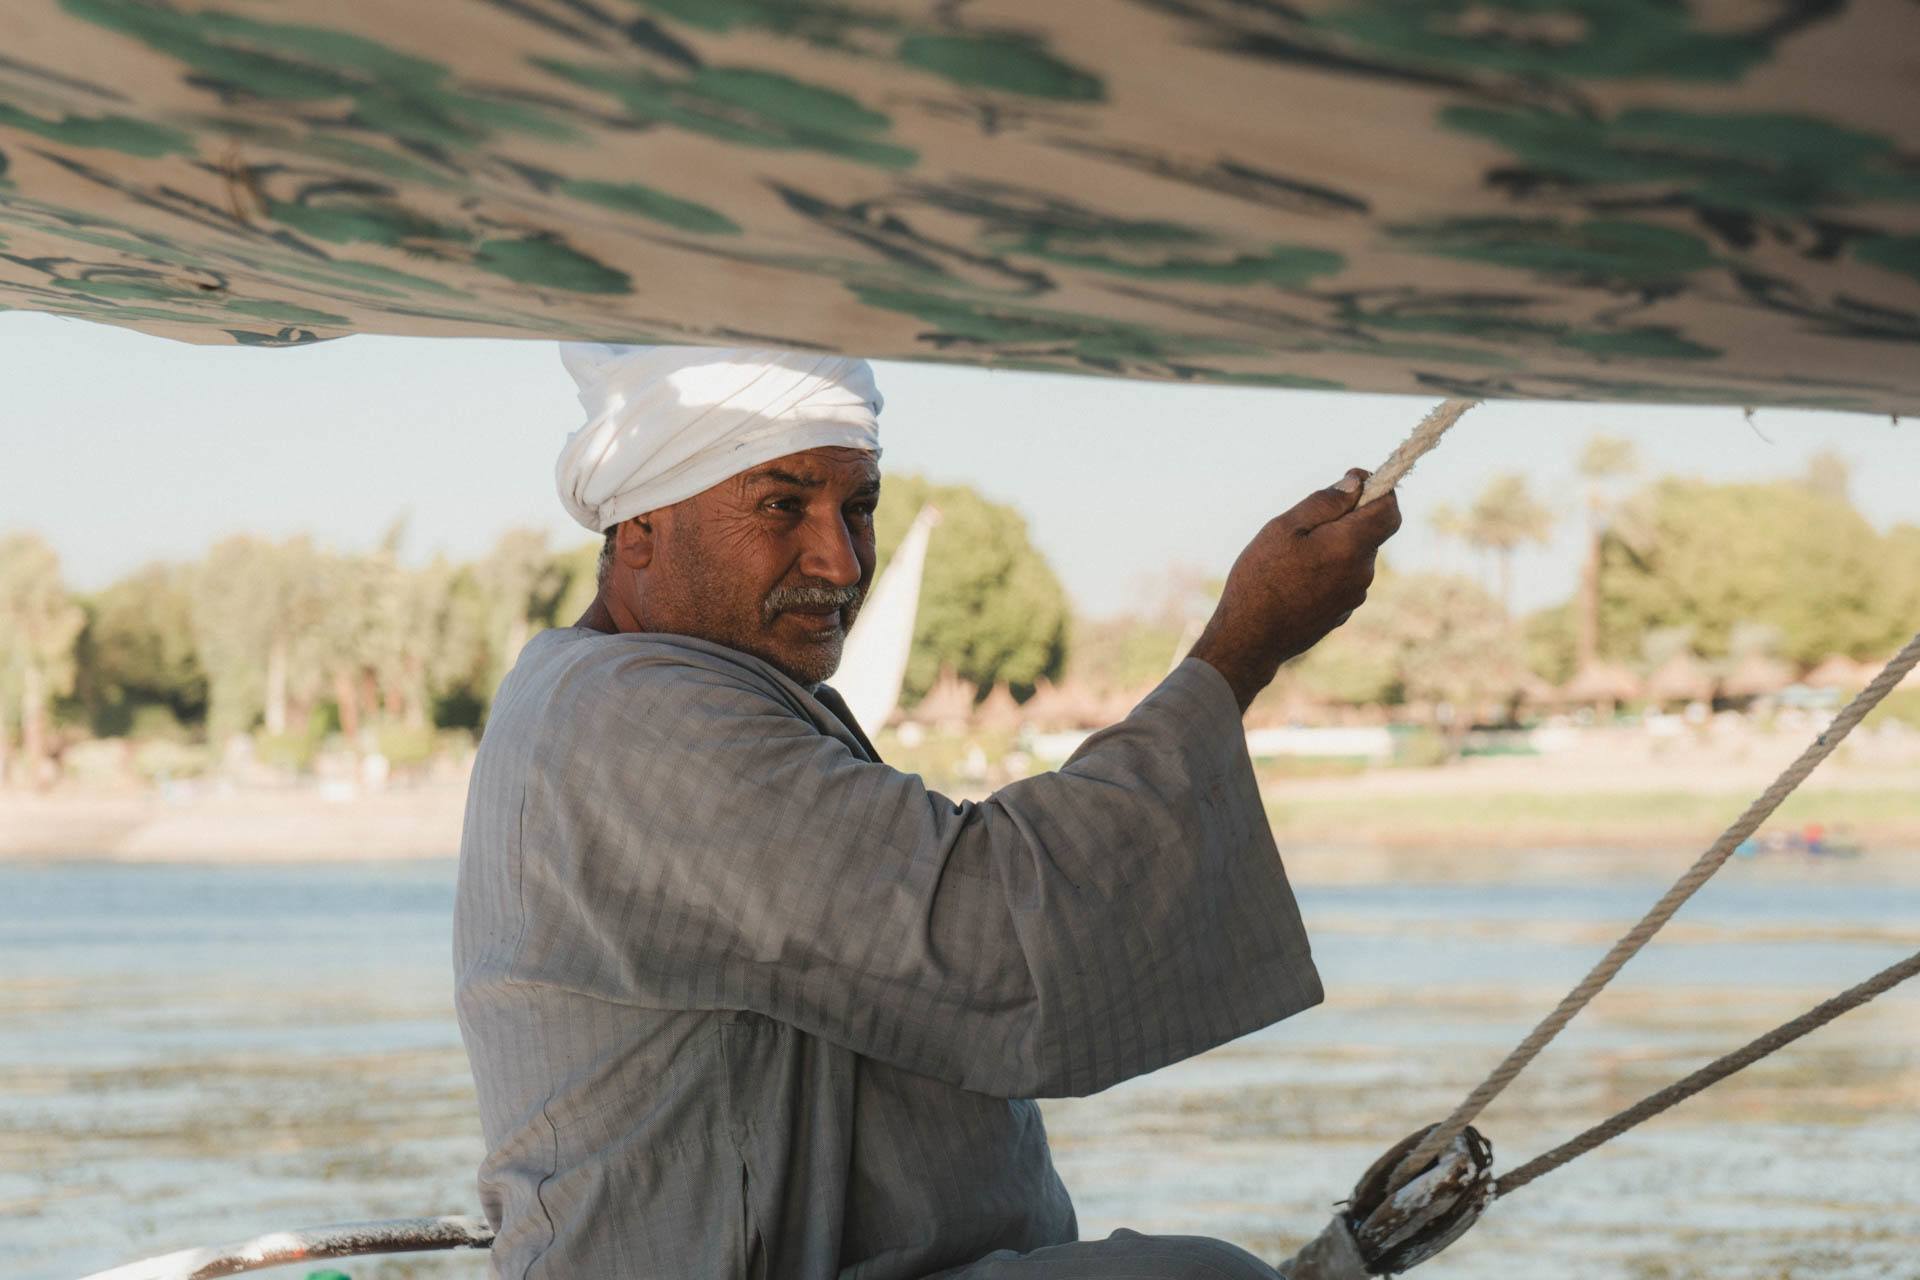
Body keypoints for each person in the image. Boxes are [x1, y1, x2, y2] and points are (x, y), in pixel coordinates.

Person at [454, 344, 1402, 1280]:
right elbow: (987, 931)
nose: (837, 558)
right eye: (783, 506)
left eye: (856, 506)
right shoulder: (636, 717)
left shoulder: (639, 691)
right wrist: (1241, 650)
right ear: (641, 530)